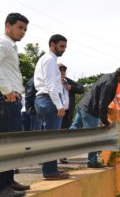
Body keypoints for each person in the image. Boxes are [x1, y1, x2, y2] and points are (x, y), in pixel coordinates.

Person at [70, 66, 120, 168]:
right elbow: (102, 104)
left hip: (83, 105)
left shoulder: (107, 76)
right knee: (94, 136)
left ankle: (60, 151)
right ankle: (92, 161)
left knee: (73, 130)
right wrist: (105, 121)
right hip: (91, 110)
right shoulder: (110, 84)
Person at [0, 12, 30, 197]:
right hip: (6, 99)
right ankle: (2, 188)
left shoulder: (10, 46)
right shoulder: (3, 43)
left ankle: (9, 181)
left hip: (13, 100)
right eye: (20, 28)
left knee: (12, 142)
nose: (23, 32)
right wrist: (7, 91)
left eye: (25, 29)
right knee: (6, 143)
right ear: (8, 26)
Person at [33, 34, 69, 180]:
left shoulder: (46, 59)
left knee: (48, 137)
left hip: (44, 100)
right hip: (48, 100)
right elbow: (51, 86)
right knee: (51, 138)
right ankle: (49, 171)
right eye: (61, 46)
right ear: (52, 45)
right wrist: (59, 105)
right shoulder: (49, 60)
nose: (64, 50)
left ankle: (51, 169)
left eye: (65, 47)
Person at [58, 63, 84, 164]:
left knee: (65, 135)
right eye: (60, 70)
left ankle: (62, 156)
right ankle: (48, 157)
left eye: (64, 70)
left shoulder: (68, 81)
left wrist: (71, 87)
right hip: (56, 112)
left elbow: (81, 89)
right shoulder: (52, 80)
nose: (62, 72)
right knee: (53, 134)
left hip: (67, 113)